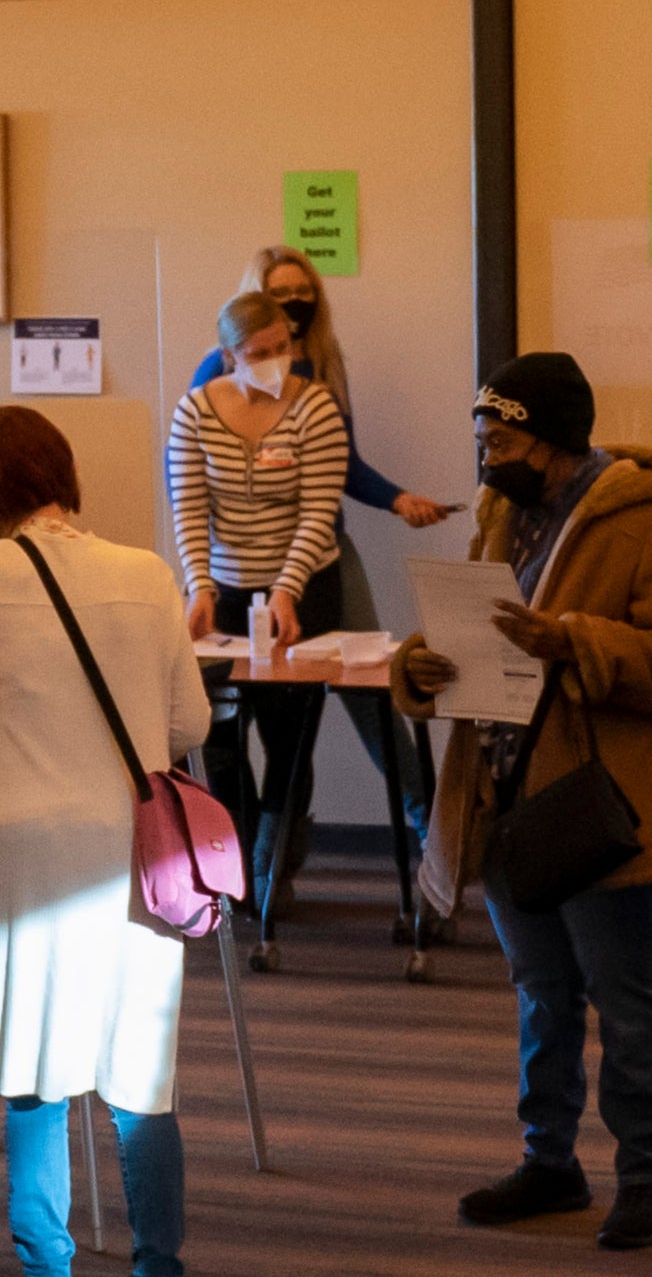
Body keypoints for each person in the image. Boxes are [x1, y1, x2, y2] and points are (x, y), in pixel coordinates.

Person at [392, 352, 652, 1253]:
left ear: (549, 439)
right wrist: (418, 666)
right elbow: (477, 629)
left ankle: (646, 1179)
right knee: (541, 993)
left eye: (497, 437)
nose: (484, 456)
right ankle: (551, 1160)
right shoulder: (506, 512)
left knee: (624, 997)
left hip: (594, 798)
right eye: (479, 437)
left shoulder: (645, 524)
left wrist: (572, 640)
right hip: (504, 793)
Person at [0, 404, 210, 1277]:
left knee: (36, 1064)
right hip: (129, 849)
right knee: (142, 1075)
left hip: (21, 848)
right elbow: (190, 724)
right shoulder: (147, 571)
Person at [183, 245, 456, 859]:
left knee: (362, 681)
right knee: (231, 724)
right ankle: (264, 854)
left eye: (304, 298)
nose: (295, 312)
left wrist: (397, 499)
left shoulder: (324, 371)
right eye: (281, 298)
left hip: (316, 552)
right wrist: (202, 580)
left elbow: (341, 471)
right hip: (234, 572)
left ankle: (429, 825)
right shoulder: (212, 382)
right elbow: (197, 484)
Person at [168, 289, 351, 861]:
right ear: (228, 357)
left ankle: (275, 871)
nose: (273, 359)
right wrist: (200, 584)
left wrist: (286, 589)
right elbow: (190, 506)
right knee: (217, 737)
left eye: (281, 347)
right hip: (225, 593)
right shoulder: (195, 410)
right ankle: (236, 862)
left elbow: (320, 510)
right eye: (257, 352)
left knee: (287, 737)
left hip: (304, 590)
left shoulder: (316, 407)